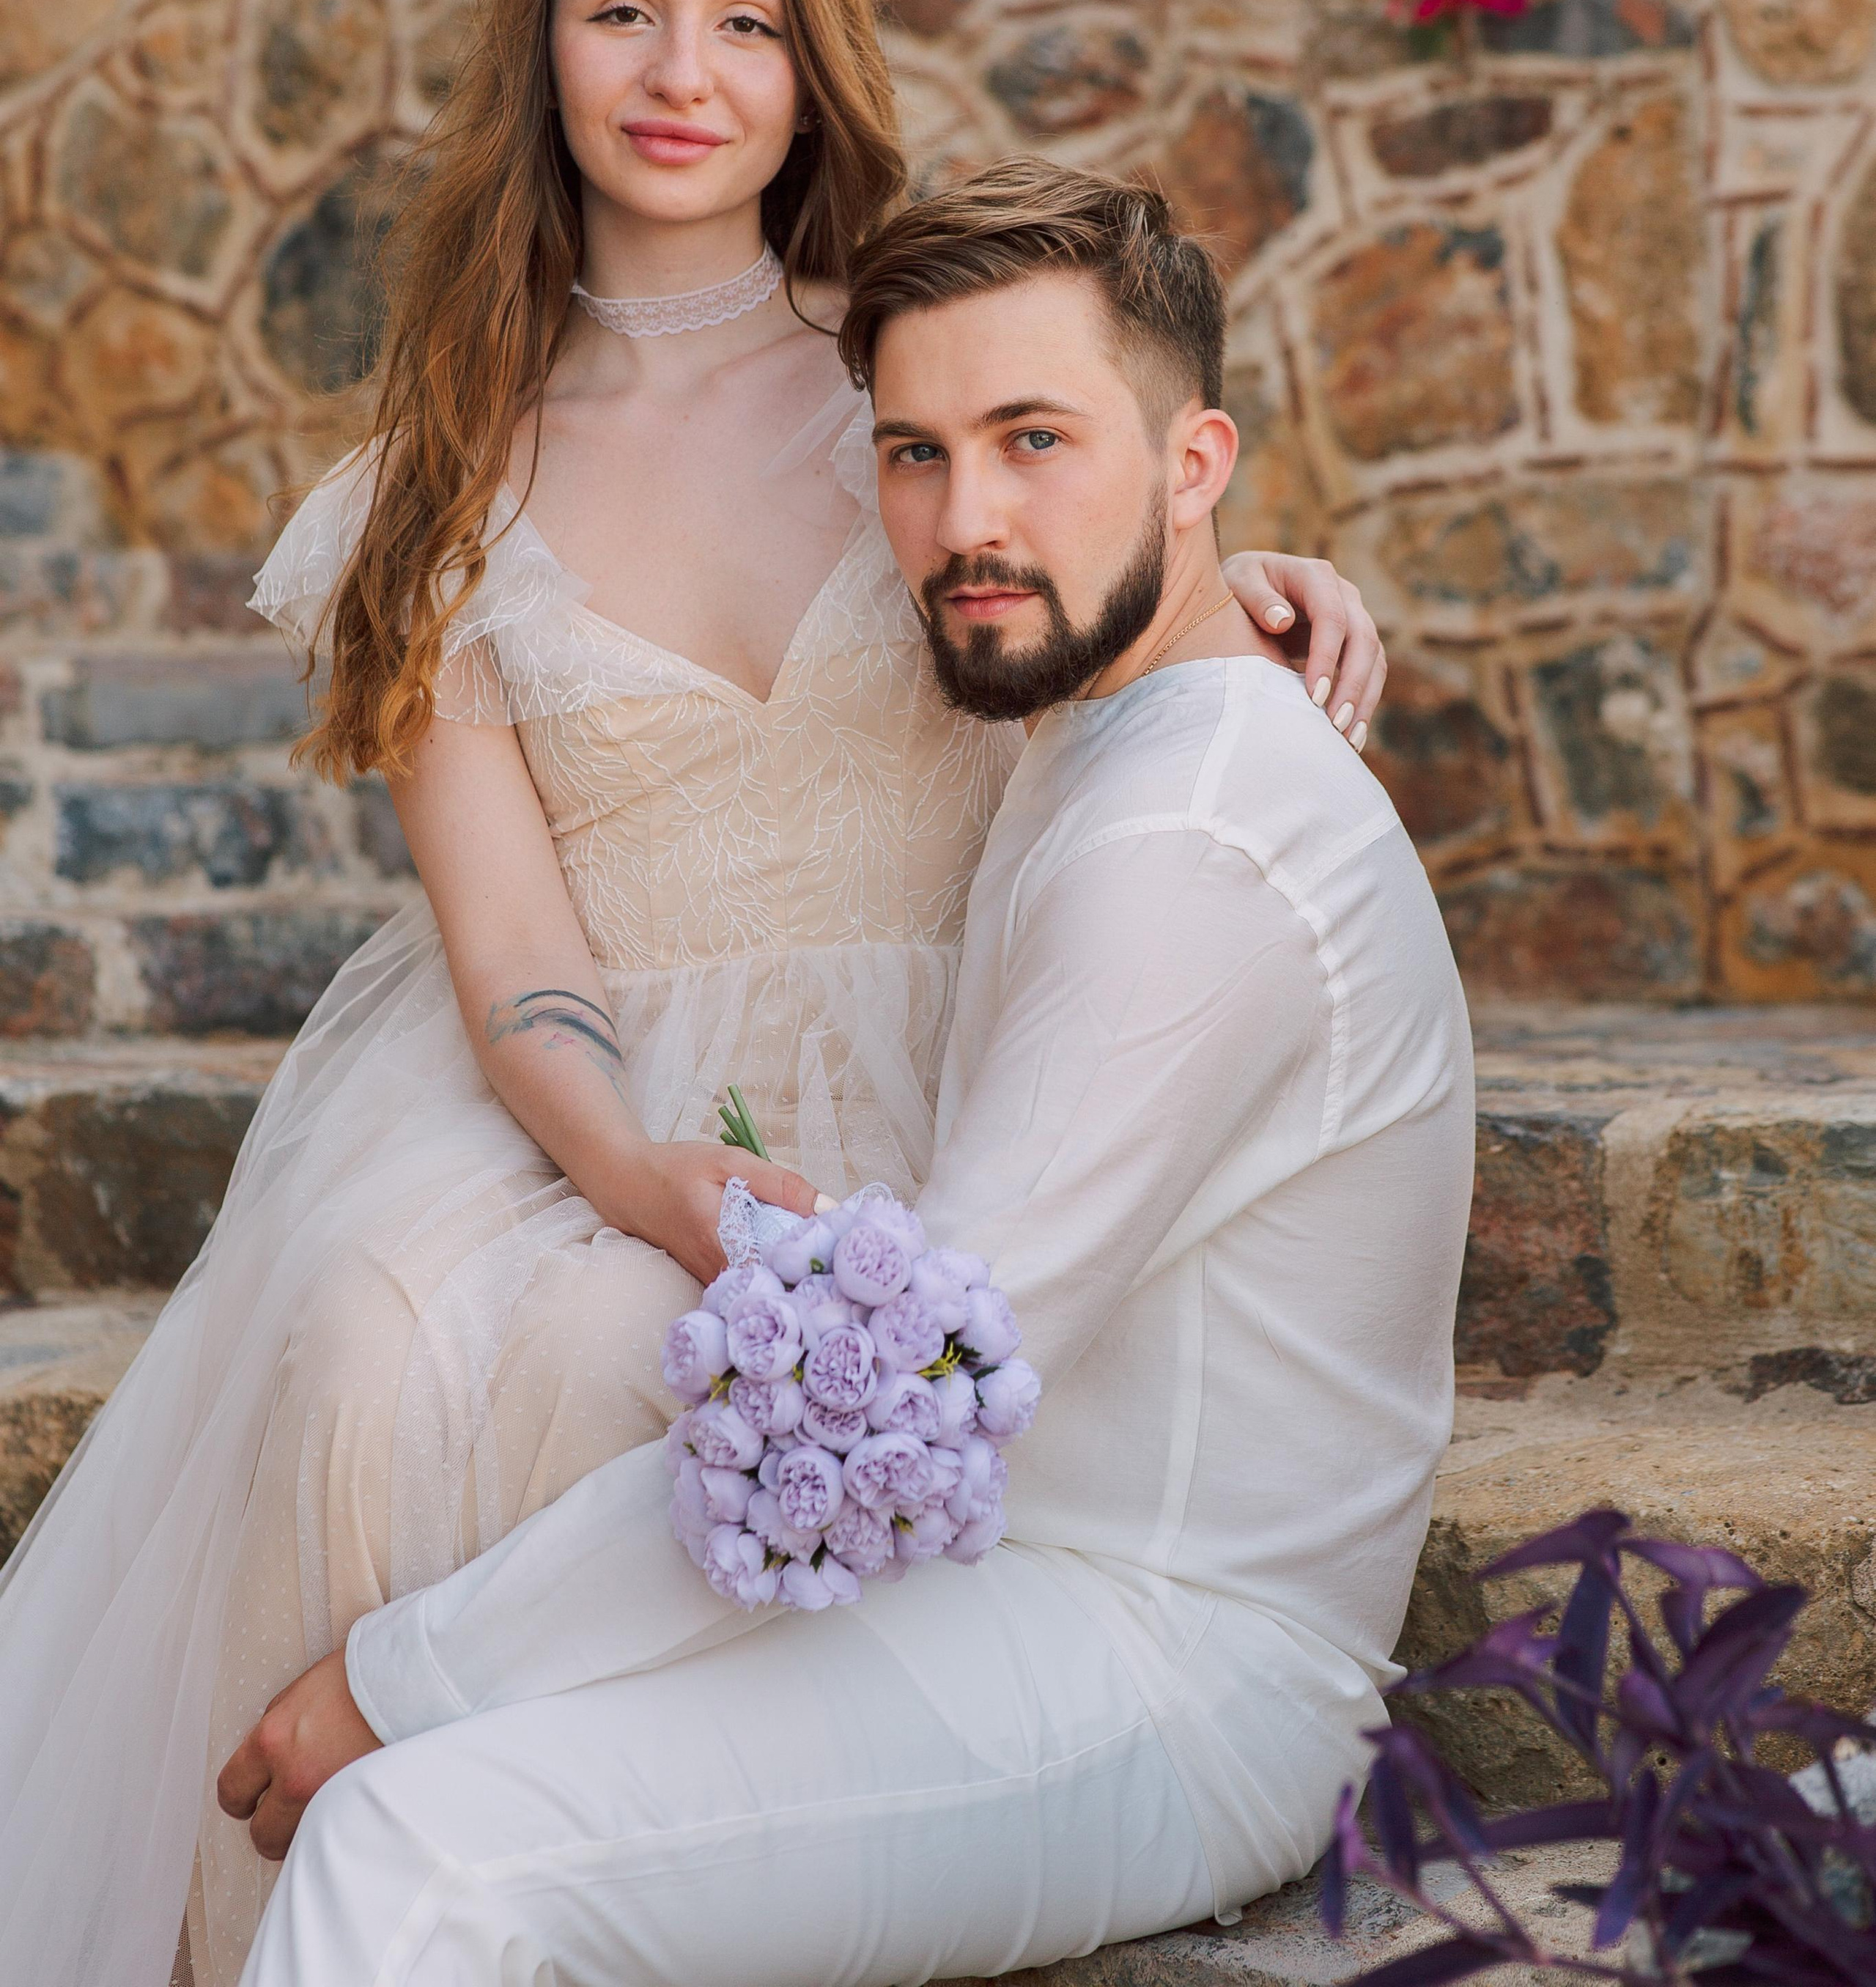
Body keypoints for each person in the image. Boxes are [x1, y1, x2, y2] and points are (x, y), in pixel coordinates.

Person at [0, 0, 1386, 1987]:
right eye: (622, 11)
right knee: (379, 1338)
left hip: (927, 1042)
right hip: (597, 1076)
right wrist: (643, 1172)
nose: (683, 71)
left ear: (811, 67)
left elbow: (1078, 546)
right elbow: (519, 956)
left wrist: (1256, 583)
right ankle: (277, 1928)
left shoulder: (904, 381)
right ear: (542, 54)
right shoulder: (443, 474)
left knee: (628, 1371)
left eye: (747, 22)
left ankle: (624, 1861)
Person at [218, 162, 1474, 1987]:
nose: (967, 518)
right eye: (913, 452)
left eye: (1035, 439)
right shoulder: (1100, 724)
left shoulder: (1189, 839)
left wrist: (395, 1677)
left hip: (1164, 1659)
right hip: (996, 1577)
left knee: (414, 1845)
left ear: (1193, 466)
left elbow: (906, 1397)